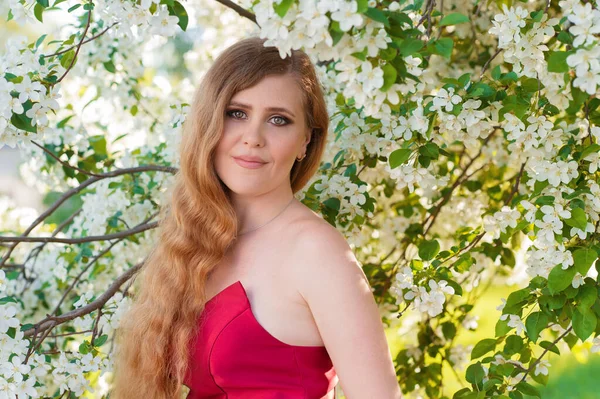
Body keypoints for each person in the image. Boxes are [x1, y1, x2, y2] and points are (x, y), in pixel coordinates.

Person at [110, 36, 403, 399]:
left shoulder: (317, 251)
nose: (253, 138)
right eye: (237, 113)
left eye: (278, 120)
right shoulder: (194, 240)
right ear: (208, 121)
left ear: (305, 143)